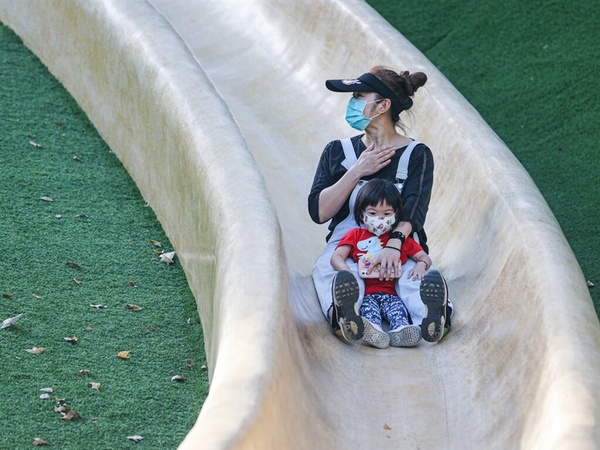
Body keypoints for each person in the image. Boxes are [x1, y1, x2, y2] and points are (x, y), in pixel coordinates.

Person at [308, 65, 452, 343]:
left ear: (383, 105)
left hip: (401, 241)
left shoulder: (416, 154)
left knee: (411, 278)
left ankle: (434, 316)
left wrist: (394, 246)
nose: (352, 102)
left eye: (360, 96)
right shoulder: (338, 151)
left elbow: (414, 209)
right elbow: (319, 211)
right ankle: (345, 314)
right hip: (349, 244)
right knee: (328, 268)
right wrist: (357, 171)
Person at [331, 178, 433, 348]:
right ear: (361, 213)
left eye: (386, 214)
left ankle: (401, 332)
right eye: (372, 213)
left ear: (396, 215)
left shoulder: (400, 241)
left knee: (398, 313)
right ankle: (373, 332)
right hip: (367, 295)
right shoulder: (356, 235)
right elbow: (336, 257)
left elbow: (423, 256)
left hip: (392, 294)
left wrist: (421, 265)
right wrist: (345, 271)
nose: (380, 219)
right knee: (369, 314)